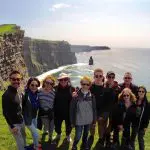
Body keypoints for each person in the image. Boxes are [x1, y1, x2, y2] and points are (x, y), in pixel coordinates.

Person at [70, 76, 96, 150]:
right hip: (79, 120)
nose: (85, 86)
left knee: (86, 134)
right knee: (78, 135)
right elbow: (72, 109)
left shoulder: (92, 96)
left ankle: (84, 144)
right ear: (81, 84)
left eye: (87, 84)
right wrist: (72, 121)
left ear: (89, 86)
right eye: (83, 84)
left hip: (88, 120)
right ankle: (74, 144)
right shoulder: (76, 96)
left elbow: (94, 109)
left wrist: (94, 121)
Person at [2, 70, 26, 150]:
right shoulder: (6, 95)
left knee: (24, 138)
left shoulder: (18, 91)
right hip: (14, 124)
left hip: (21, 120)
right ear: (10, 80)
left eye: (18, 79)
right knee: (20, 143)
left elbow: (19, 106)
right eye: (14, 79)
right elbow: (5, 113)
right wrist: (12, 126)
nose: (16, 81)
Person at [54, 73, 75, 142]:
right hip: (58, 111)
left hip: (68, 111)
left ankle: (68, 135)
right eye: (61, 80)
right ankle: (58, 134)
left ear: (68, 80)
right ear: (59, 80)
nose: (63, 81)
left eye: (65, 79)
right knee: (57, 124)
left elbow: (75, 100)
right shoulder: (55, 88)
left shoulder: (72, 88)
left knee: (68, 125)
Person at [22, 77, 40, 150]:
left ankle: (35, 144)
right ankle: (36, 147)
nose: (34, 87)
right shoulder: (25, 95)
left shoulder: (37, 94)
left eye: (36, 85)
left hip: (34, 117)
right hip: (28, 119)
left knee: (34, 133)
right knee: (36, 133)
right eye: (32, 85)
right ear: (28, 85)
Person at [103, 71, 120, 148]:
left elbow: (119, 99)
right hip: (105, 109)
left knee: (111, 125)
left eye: (112, 77)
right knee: (104, 124)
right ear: (106, 77)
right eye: (109, 77)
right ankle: (104, 138)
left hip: (113, 110)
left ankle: (108, 138)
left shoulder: (117, 87)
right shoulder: (103, 86)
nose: (111, 78)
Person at [38, 75, 55, 142]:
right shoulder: (39, 92)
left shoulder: (54, 92)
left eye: (51, 83)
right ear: (44, 82)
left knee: (51, 127)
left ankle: (50, 138)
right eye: (47, 82)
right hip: (43, 113)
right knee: (46, 126)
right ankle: (45, 130)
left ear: (52, 84)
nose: (48, 85)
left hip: (51, 113)